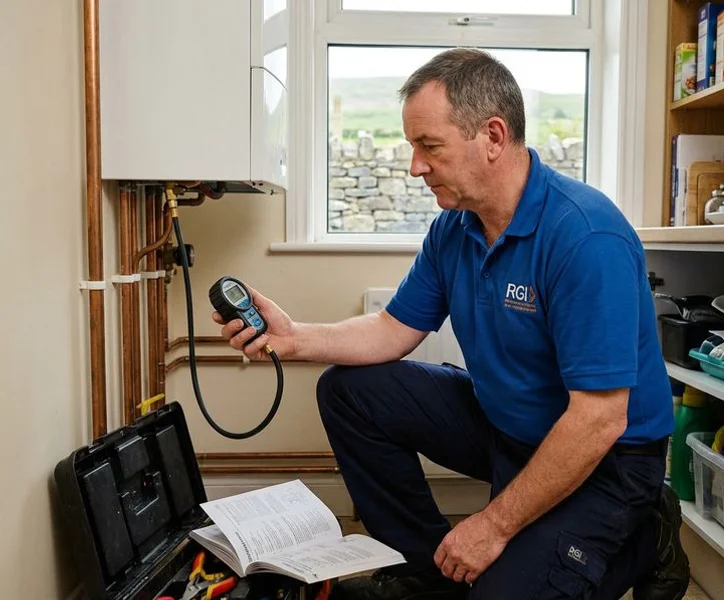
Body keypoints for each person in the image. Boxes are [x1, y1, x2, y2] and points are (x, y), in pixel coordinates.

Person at [214, 48, 690, 600]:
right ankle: (426, 568)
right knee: (351, 390)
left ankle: (645, 532)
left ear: (492, 137)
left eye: (429, 147)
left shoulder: (585, 237)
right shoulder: (456, 229)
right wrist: (295, 338)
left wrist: (491, 526)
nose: (415, 166)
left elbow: (599, 420)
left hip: (606, 459)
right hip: (507, 428)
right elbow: (393, 330)